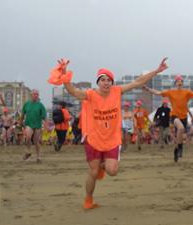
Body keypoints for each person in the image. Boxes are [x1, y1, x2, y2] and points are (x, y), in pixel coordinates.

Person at [50, 57, 168, 209]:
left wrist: (157, 71)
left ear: (112, 82)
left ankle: (102, 166)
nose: (106, 82)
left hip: (112, 139)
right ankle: (89, 199)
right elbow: (73, 91)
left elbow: (138, 82)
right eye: (102, 79)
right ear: (98, 82)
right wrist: (65, 74)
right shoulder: (90, 94)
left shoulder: (117, 91)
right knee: (93, 172)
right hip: (94, 139)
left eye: (109, 80)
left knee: (112, 171)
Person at [143, 74, 193, 162]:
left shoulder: (187, 92)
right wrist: (148, 89)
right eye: (178, 81)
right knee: (181, 128)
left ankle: (178, 149)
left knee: (181, 134)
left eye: (181, 81)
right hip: (174, 116)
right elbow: (158, 93)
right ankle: (179, 148)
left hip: (184, 117)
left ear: (182, 83)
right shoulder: (171, 92)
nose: (179, 82)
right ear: (175, 83)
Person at [20, 89, 46, 163]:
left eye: (37, 94)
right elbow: (22, 115)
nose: (36, 95)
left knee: (36, 141)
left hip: (38, 125)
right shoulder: (26, 104)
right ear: (31, 95)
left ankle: (38, 157)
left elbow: (44, 117)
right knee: (28, 137)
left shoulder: (40, 105)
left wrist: (45, 125)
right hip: (29, 124)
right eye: (34, 94)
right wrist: (20, 122)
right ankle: (28, 152)